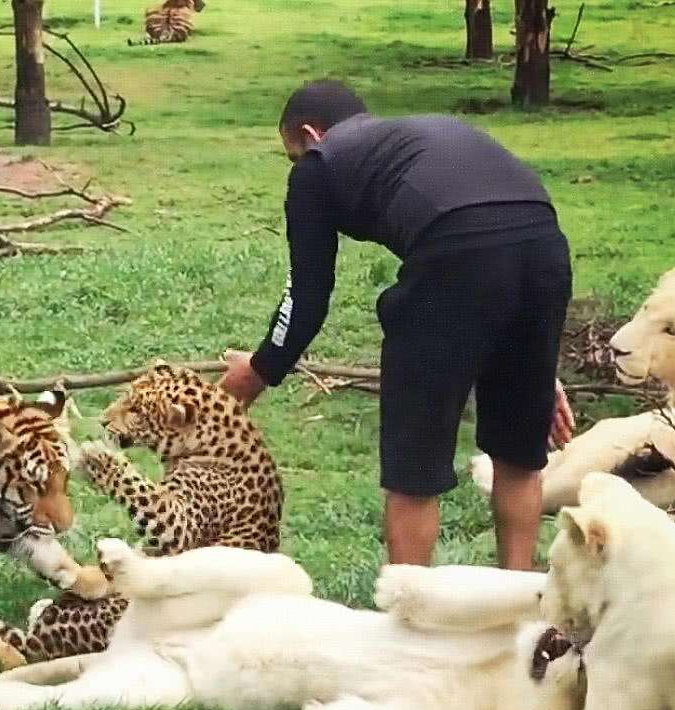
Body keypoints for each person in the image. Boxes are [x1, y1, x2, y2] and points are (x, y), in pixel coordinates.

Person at [219, 80, 575, 571]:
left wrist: (251, 377)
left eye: (293, 155)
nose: (296, 169)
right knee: (519, 456)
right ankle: (519, 606)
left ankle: (409, 618)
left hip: (456, 259)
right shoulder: (424, 135)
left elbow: (307, 298)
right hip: (545, 247)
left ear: (310, 135)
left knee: (413, 472)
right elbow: (505, 232)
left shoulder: (318, 166)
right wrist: (535, 364)